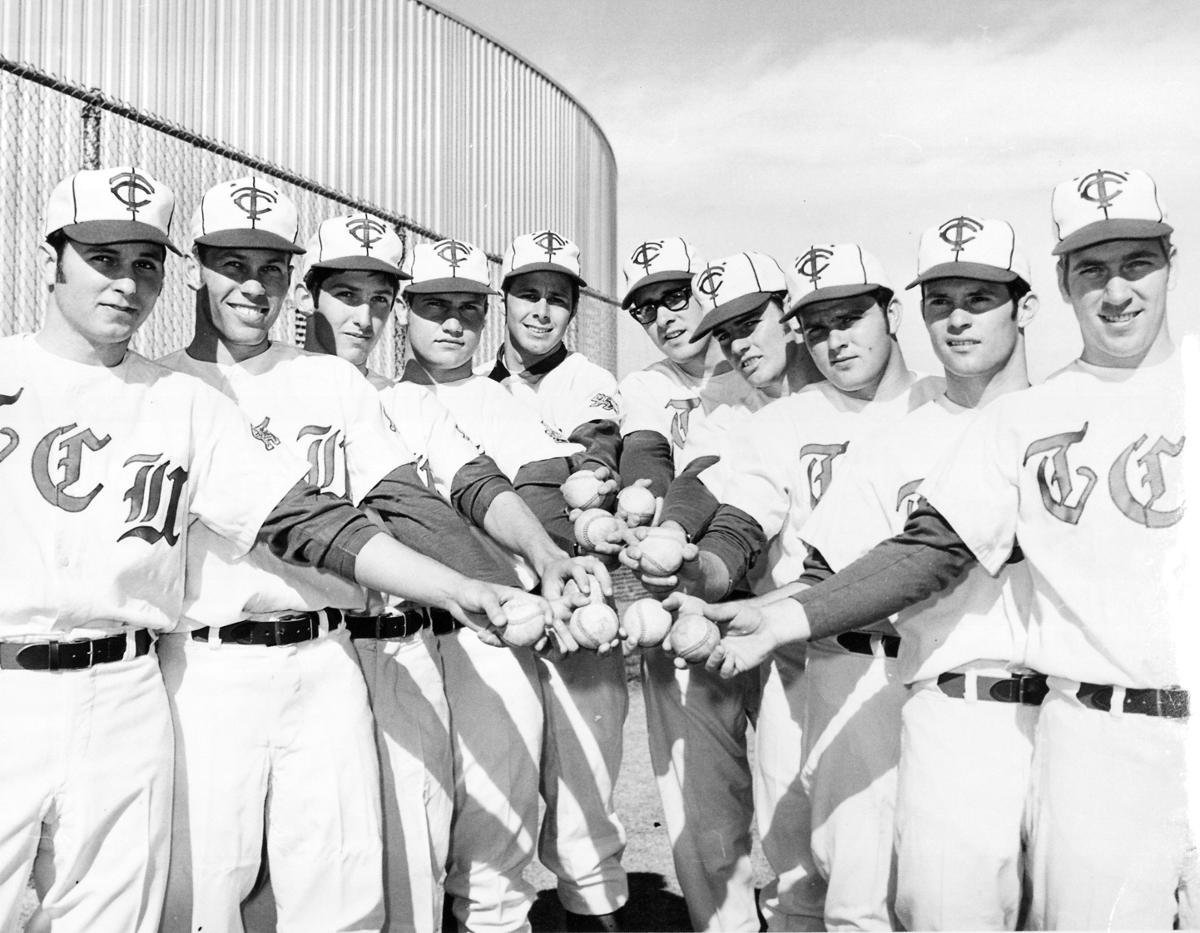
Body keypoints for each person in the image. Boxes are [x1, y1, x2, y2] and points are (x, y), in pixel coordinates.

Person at [0, 166, 534, 933]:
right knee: (200, 900)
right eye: (102, 257)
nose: (126, 282)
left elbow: (315, 520)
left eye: (142, 261)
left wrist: (464, 587)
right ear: (52, 262)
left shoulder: (184, 403)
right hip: (85, 678)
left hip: (140, 681)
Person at [702, 167, 1192, 929]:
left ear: (1170, 259)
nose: (1117, 290)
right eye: (1092, 267)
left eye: (1137, 262)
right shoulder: (1025, 421)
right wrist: (780, 617)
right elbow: (926, 549)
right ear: (1062, 282)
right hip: (1066, 721)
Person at [156, 179, 548, 933]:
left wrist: (484, 582)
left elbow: (402, 496)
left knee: (345, 897)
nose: (252, 284)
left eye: (270, 267)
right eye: (232, 263)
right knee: (203, 898)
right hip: (208, 664)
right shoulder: (166, 384)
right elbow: (305, 521)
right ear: (197, 265)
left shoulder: (329, 380)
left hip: (326, 650)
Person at [298, 218, 607, 933]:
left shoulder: (406, 401)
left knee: (425, 853)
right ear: (307, 296)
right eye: (344, 292)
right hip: (314, 647)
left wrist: (548, 559)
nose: (365, 314)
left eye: (378, 296)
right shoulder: (265, 388)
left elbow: (478, 482)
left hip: (416, 637)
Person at [651, 245, 941, 930]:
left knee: (893, 887)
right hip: (798, 664)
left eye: (850, 317)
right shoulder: (781, 421)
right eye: (820, 325)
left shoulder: (940, 406)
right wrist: (699, 570)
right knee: (794, 880)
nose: (835, 339)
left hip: (910, 663)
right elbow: (741, 521)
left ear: (891, 312)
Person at [788, 216, 1040, 929]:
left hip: (1070, 710)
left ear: (1024, 307)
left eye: (980, 298)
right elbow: (823, 575)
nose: (957, 319)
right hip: (951, 701)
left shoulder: (1066, 420)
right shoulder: (892, 445)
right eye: (941, 301)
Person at [484, 231, 630, 930]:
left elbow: (593, 458)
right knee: (491, 802)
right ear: (502, 298)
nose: (541, 311)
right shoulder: (471, 382)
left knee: (584, 805)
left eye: (557, 298)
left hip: (578, 599)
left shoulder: (589, 381)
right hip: (496, 604)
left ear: (572, 310)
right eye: (528, 294)